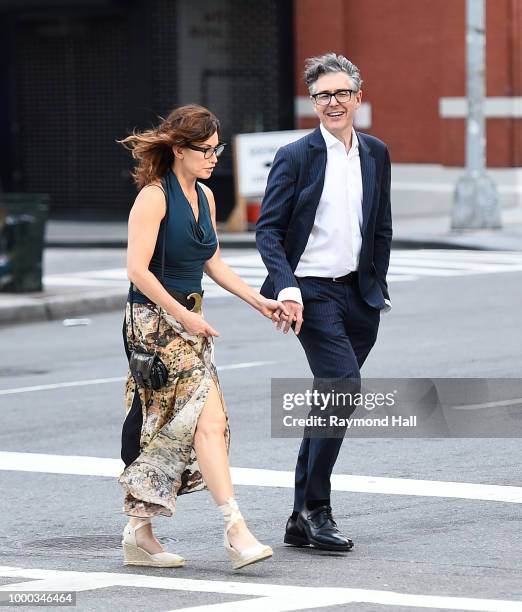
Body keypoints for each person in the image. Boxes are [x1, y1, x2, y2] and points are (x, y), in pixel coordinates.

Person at [116, 104, 287, 570]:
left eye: (218, 148)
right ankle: (235, 529)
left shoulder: (206, 197)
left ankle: (139, 532)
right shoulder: (153, 197)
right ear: (178, 149)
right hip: (153, 324)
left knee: (188, 424)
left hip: (190, 320)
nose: (214, 157)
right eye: (205, 149)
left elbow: (212, 262)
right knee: (199, 417)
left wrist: (260, 300)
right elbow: (136, 271)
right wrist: (182, 317)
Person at [256, 53, 392, 551]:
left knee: (329, 403)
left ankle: (299, 517)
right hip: (311, 292)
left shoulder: (376, 152)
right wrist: (287, 287)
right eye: (321, 95)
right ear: (312, 103)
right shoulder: (296, 155)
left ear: (358, 96)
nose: (332, 103)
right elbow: (268, 231)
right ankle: (318, 508)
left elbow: (380, 226)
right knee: (343, 386)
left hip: (360, 295)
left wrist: (378, 286)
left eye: (340, 93)